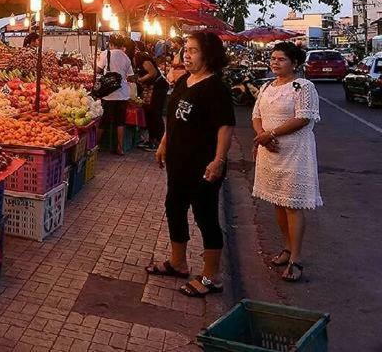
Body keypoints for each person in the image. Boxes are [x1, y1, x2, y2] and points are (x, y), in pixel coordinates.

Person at [147, 32, 235, 298]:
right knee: (174, 207)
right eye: (186, 49)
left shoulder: (216, 88)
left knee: (205, 216)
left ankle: (212, 276)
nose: (187, 54)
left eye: (193, 50)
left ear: (208, 55)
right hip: (178, 161)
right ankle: (178, 262)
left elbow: (225, 128)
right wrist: (163, 144)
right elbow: (174, 120)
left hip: (203, 164)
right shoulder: (186, 81)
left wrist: (218, 160)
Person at [251, 42, 322, 283]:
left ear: (294, 63)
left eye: (281, 59)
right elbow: (256, 116)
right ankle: (286, 248)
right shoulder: (266, 87)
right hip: (270, 152)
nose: (274, 62)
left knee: (292, 204)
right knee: (278, 203)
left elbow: (303, 118)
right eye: (272, 58)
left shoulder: (303, 86)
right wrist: (263, 136)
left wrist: (271, 135)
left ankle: (296, 258)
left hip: (294, 152)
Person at [96, 35, 134, 155]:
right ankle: (120, 147)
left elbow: (97, 70)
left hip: (109, 94)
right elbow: (130, 76)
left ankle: (95, 145)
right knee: (120, 121)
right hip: (123, 93)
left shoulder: (105, 54)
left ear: (111, 44)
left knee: (104, 121)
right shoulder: (126, 57)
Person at [133, 42, 169, 151]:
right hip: (151, 88)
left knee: (155, 113)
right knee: (149, 112)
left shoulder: (142, 58)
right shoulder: (139, 57)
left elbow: (152, 73)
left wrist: (140, 80)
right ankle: (152, 140)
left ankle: (158, 142)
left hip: (158, 87)